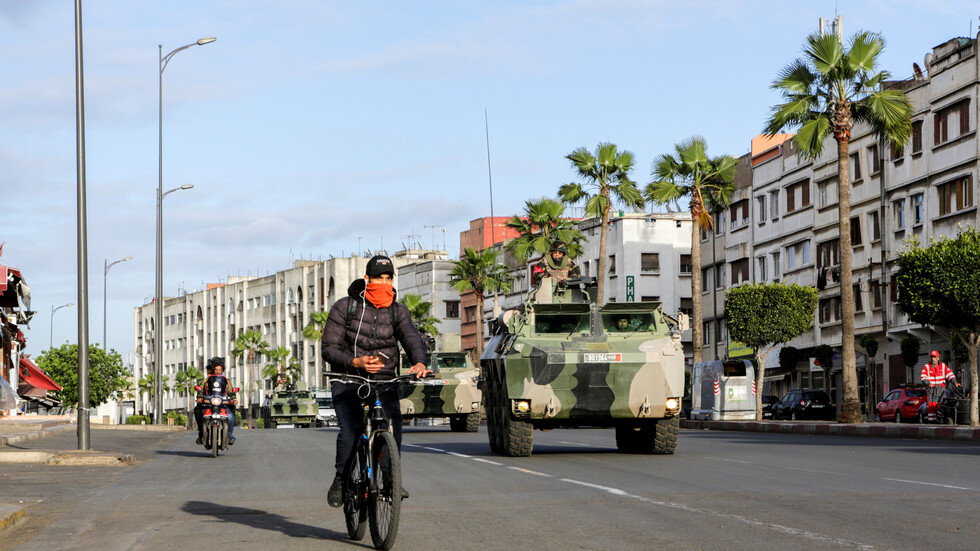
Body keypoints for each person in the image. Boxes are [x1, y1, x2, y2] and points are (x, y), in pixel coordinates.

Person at [321, 254, 430, 508]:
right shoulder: (344, 307)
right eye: (378, 278)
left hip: (384, 380)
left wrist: (420, 362)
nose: (383, 283)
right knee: (351, 430)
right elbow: (328, 348)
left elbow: (412, 338)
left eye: (388, 278)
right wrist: (355, 362)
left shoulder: (397, 310)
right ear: (366, 279)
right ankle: (341, 478)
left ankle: (391, 478)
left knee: (393, 424)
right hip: (348, 378)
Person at [195, 356, 238, 445]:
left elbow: (231, 391)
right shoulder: (206, 380)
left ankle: (229, 435)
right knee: (199, 411)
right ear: (213, 369)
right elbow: (201, 390)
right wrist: (200, 397)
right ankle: (201, 434)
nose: (218, 371)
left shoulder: (226, 380)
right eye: (216, 369)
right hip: (208, 404)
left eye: (220, 369)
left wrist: (233, 399)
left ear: (222, 370)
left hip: (222, 405)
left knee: (230, 416)